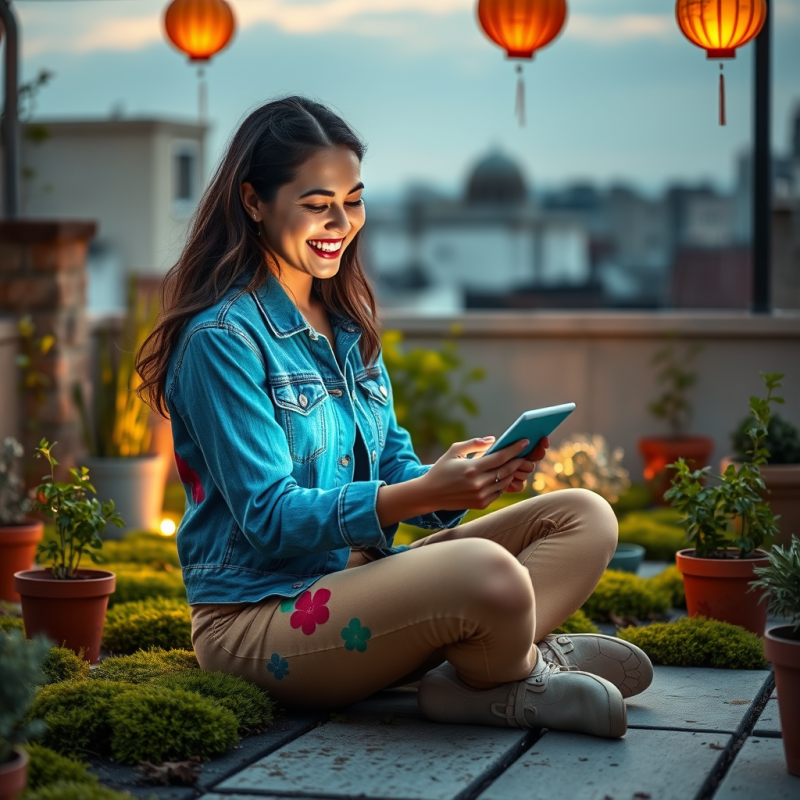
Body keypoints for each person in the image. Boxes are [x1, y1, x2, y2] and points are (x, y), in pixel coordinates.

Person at [136, 96, 653, 739]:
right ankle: (504, 678)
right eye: (316, 202)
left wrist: (464, 480)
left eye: (353, 200)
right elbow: (269, 519)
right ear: (253, 202)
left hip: (362, 585)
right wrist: (416, 493)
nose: (341, 221)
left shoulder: (347, 326)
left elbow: (396, 472)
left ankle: (488, 661)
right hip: (261, 618)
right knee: (486, 576)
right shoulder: (223, 338)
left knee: (584, 517)